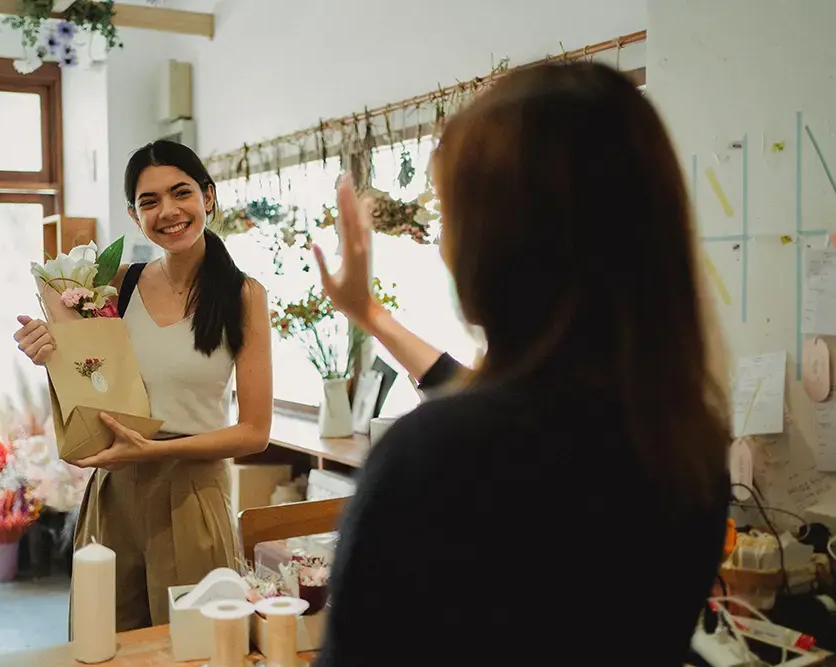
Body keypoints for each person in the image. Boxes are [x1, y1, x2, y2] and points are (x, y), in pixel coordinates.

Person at [312, 63, 731, 665]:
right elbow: (500, 399)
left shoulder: (432, 459)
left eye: (451, 213)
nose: (441, 242)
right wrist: (371, 315)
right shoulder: (685, 439)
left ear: (500, 243)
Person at [13, 140, 273, 631]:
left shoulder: (243, 296)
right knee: (103, 643)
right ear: (134, 216)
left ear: (208, 198)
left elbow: (255, 432)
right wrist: (49, 352)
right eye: (149, 201)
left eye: (182, 193)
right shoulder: (118, 286)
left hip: (192, 490)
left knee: (195, 646)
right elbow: (93, 381)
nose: (169, 211)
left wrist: (152, 452)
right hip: (114, 495)